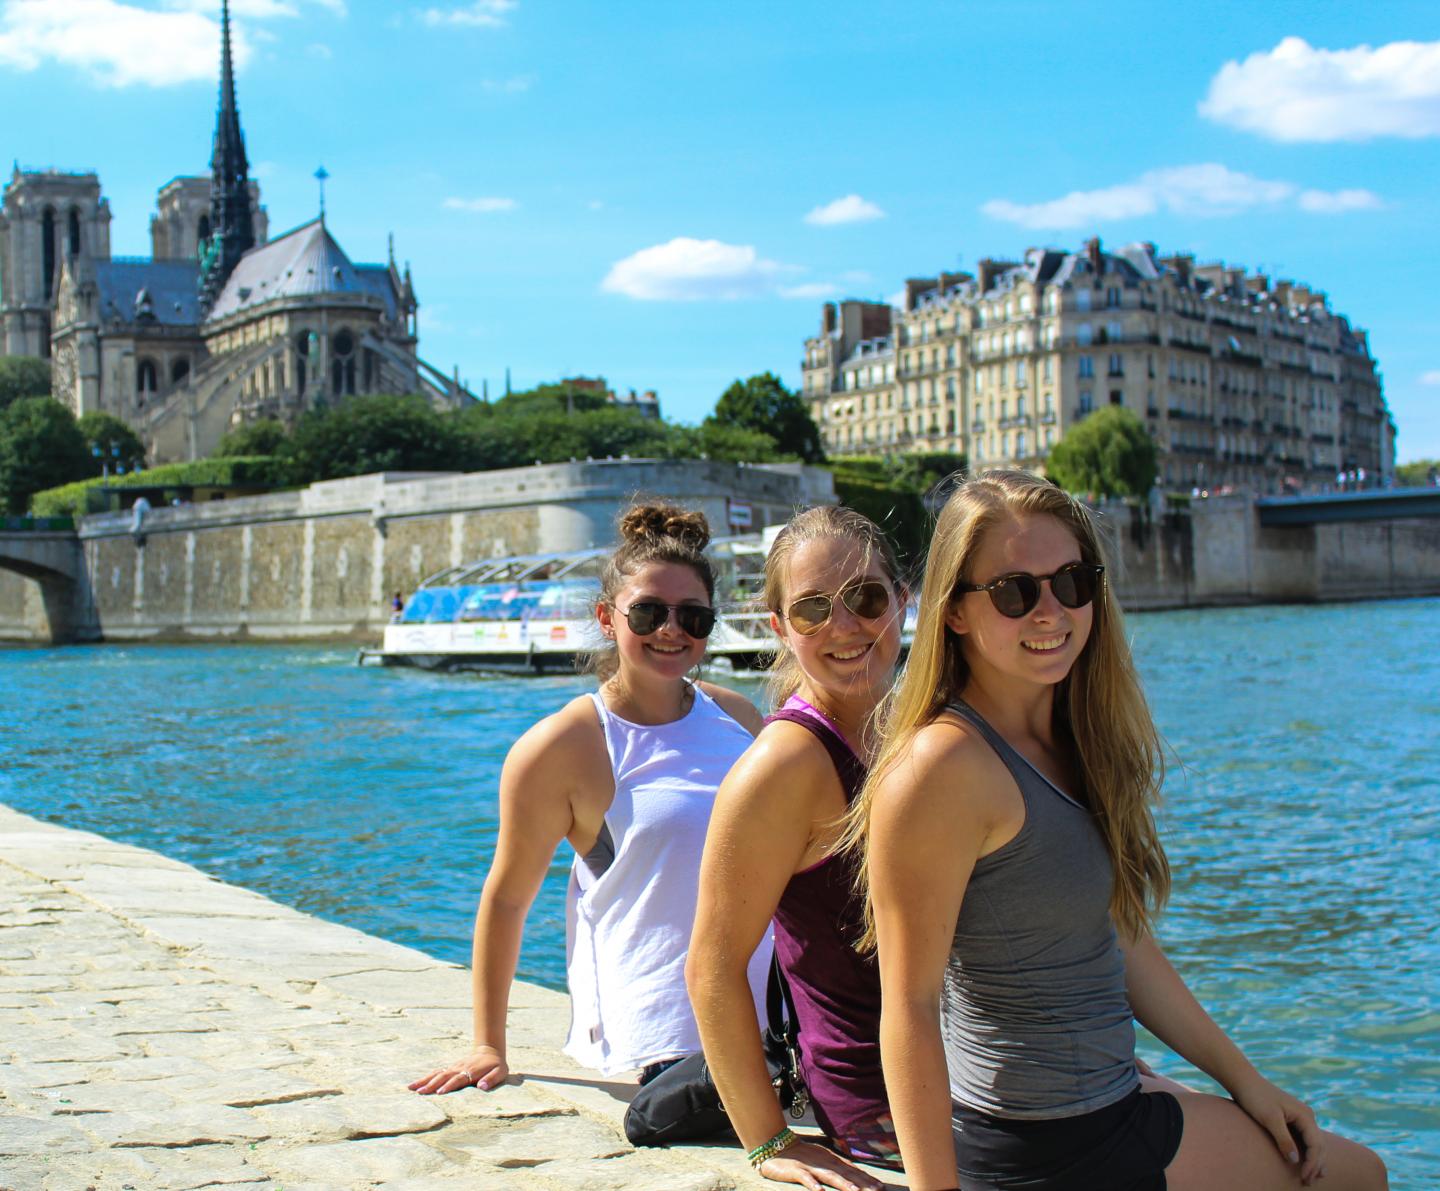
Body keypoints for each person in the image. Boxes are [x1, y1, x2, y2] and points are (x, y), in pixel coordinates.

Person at [849, 470, 1388, 1191]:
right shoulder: (943, 767)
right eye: (1015, 591)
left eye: (1072, 581)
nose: (1051, 611)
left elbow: (1119, 938)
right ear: (952, 611)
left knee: (1304, 1144)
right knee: (1362, 1176)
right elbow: (909, 1007)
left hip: (1103, 1104)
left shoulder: (1065, 738)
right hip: (1050, 1143)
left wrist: (1248, 1083)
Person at [411, 502, 769, 1096]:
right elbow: (506, 898)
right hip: (658, 1041)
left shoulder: (738, 718)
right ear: (608, 617)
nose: (671, 629)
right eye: (649, 612)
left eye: (693, 616)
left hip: (768, 1020)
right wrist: (487, 1045)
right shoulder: (564, 745)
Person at [687, 506, 907, 1191]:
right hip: (880, 1101)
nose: (845, 626)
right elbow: (711, 965)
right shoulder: (784, 765)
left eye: (866, 597)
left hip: (957, 1064)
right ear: (780, 628)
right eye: (813, 609)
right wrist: (768, 1140)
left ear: (903, 600)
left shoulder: (908, 728)